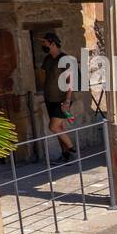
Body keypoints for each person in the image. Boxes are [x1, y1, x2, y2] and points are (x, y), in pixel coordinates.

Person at [39, 33, 76, 163]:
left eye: (45, 43)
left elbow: (71, 81)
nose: (43, 46)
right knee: (59, 128)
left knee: (53, 127)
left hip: (62, 99)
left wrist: (67, 100)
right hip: (50, 98)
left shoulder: (65, 59)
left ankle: (72, 149)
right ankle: (66, 155)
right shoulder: (47, 59)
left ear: (53, 44)